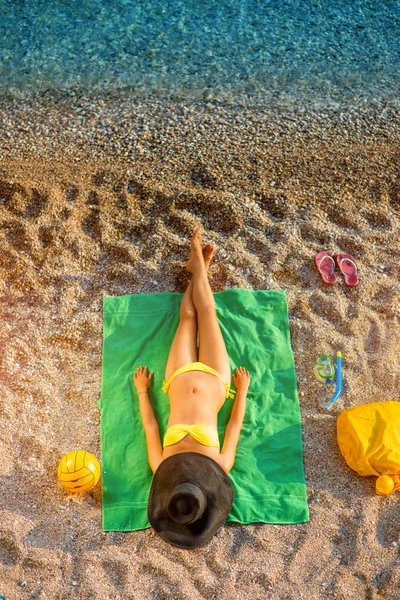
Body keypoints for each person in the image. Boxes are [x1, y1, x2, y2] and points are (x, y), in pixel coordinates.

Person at [133, 231, 250, 548]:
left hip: (178, 377)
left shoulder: (161, 465)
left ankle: (199, 265)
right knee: (208, 313)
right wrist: (242, 391)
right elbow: (236, 424)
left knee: (187, 316)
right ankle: (199, 263)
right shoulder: (220, 465)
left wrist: (143, 392)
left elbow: (150, 425)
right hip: (216, 378)